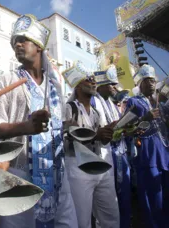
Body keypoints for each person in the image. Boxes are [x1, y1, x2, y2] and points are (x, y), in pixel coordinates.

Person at [0, 14, 78, 228]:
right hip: (18, 175)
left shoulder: (55, 88)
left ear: (39, 46)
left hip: (58, 176)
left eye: (23, 39)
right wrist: (25, 127)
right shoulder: (7, 81)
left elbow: (59, 126)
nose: (17, 44)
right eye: (14, 41)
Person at [62, 61, 120, 228]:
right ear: (78, 86)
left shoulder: (95, 112)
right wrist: (97, 135)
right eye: (89, 79)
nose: (94, 82)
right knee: (82, 219)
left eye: (94, 79)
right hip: (78, 169)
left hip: (99, 167)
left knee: (110, 214)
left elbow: (101, 140)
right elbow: (66, 138)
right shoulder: (69, 108)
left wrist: (109, 133)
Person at [125, 65, 169, 227]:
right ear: (140, 84)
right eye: (146, 80)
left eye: (152, 80)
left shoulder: (161, 103)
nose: (151, 83)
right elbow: (127, 130)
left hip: (165, 152)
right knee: (152, 198)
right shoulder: (133, 101)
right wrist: (146, 117)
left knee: (165, 195)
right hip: (147, 154)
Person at [93, 65, 131, 228]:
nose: (116, 88)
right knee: (105, 199)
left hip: (118, 151)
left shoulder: (111, 103)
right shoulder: (94, 100)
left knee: (122, 193)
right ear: (102, 85)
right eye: (112, 84)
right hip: (102, 152)